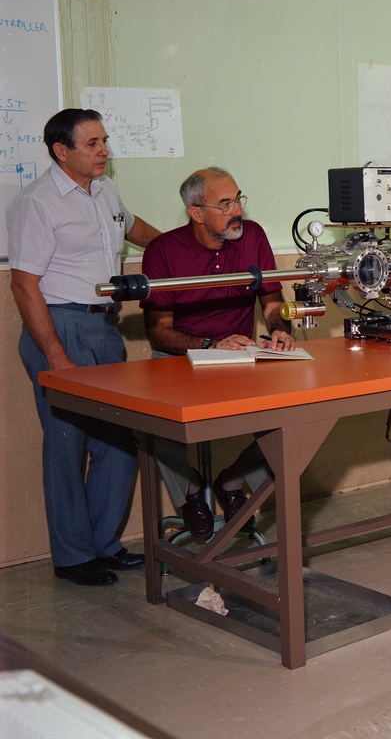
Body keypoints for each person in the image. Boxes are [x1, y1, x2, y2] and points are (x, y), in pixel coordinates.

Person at [7, 108, 160, 586]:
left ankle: (103, 546)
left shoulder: (105, 190)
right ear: (61, 151)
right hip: (59, 327)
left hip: (103, 327)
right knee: (67, 446)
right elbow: (24, 285)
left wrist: (187, 247)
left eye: (104, 141)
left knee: (118, 442)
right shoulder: (38, 202)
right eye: (92, 144)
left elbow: (138, 232)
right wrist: (55, 355)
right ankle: (73, 558)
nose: (104, 151)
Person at [140, 167, 295, 538]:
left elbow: (272, 301)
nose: (236, 210)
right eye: (224, 204)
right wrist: (209, 345)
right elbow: (159, 333)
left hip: (238, 357)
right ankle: (191, 491)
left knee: (294, 413)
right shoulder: (163, 251)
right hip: (180, 358)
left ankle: (233, 482)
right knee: (153, 426)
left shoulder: (252, 235)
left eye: (238, 198)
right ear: (196, 212)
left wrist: (279, 331)